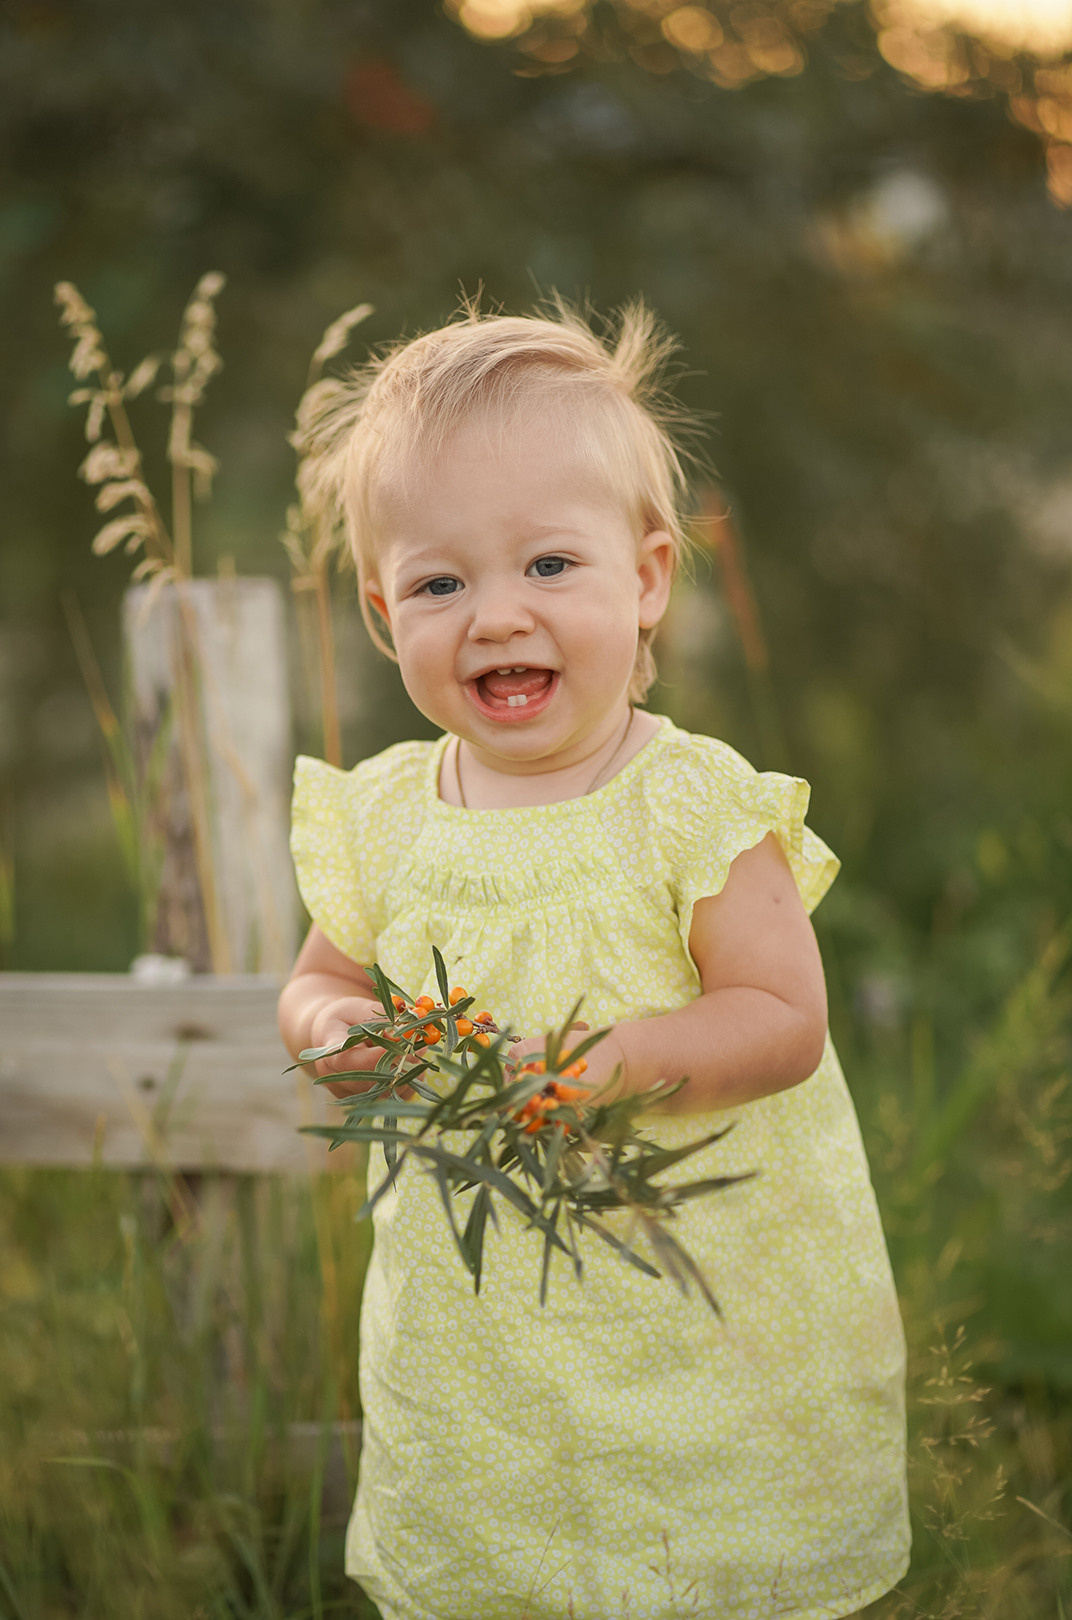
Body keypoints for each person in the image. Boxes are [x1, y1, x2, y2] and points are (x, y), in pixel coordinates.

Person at [277, 300, 910, 1620]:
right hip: (480, 1338)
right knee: (501, 1561)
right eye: (443, 584)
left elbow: (780, 1014)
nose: (497, 615)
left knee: (704, 1563)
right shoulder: (390, 813)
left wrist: (608, 1063)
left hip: (703, 1308)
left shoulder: (688, 802)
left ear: (650, 577)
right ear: (389, 617)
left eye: (549, 566)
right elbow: (320, 979)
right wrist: (332, 1031)